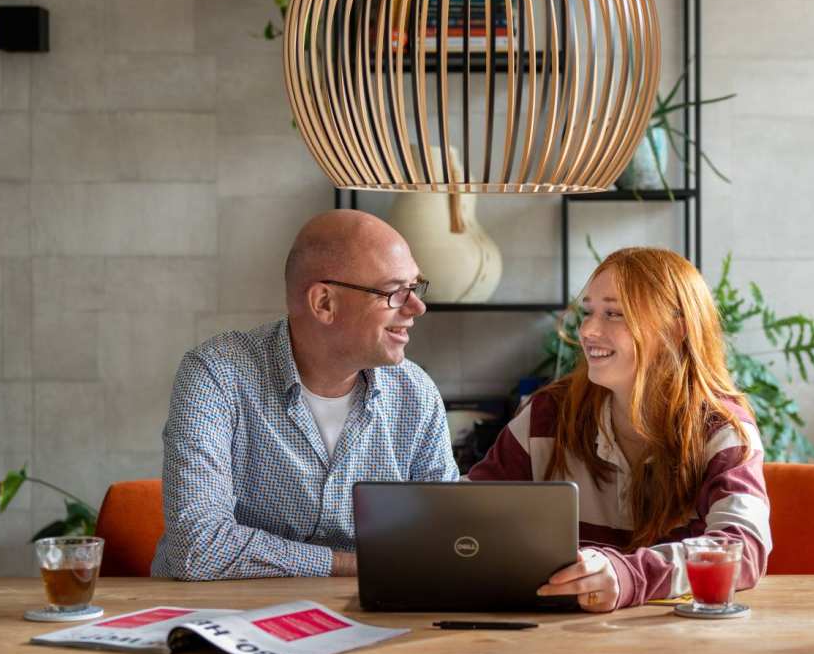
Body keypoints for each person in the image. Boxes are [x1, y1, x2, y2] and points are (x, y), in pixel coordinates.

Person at [152, 209, 458, 581]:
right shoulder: (218, 374)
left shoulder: (416, 394)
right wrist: (352, 566)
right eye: (395, 292)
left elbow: (445, 538)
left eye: (416, 286)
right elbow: (199, 548)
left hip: (365, 616)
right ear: (324, 304)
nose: (417, 307)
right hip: (225, 618)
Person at [467, 246, 771, 616]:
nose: (588, 331)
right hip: (554, 643)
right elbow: (467, 516)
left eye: (614, 314)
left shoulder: (722, 428)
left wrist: (629, 575)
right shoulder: (547, 415)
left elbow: (742, 548)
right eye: (588, 312)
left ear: (675, 330)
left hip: (682, 646)